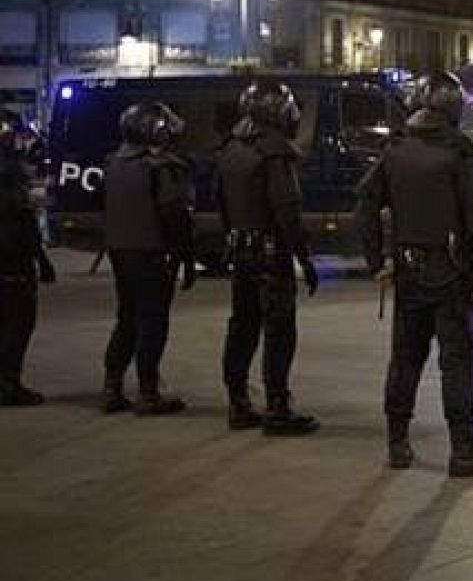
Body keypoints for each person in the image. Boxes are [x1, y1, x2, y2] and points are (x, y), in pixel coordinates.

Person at [355, 72, 473, 478]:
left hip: (408, 271)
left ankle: (397, 442)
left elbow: (365, 205)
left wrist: (377, 262)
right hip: (451, 272)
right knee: (457, 360)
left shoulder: (395, 149)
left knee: (405, 358)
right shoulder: (460, 153)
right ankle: (462, 448)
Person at [215, 81, 320, 435]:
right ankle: (277, 405)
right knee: (279, 330)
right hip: (270, 252)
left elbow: (221, 203)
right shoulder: (274, 152)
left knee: (242, 325)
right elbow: (287, 209)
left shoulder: (231, 148)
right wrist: (304, 258)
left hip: (241, 248)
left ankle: (238, 402)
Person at [101, 102, 196, 415]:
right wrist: (184, 252)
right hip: (152, 251)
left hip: (120, 251)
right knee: (153, 322)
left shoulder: (113, 163)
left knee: (127, 318)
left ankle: (111, 387)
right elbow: (174, 214)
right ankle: (148, 392)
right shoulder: (160, 167)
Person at [0, 110, 54, 406]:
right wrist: (42, 260)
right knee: (17, 322)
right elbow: (23, 222)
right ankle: (9, 383)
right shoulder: (9, 174)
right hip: (11, 258)